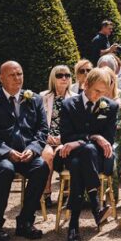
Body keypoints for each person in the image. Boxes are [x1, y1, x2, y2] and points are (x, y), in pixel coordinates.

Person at [0, 61, 49, 241]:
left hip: (25, 155)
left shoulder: (34, 99)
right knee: (5, 169)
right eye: (12, 75)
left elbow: (42, 130)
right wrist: (7, 152)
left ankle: (25, 221)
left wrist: (33, 149)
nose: (17, 78)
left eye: (20, 74)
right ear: (1, 78)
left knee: (42, 167)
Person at [58, 67, 118, 241]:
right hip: (73, 155)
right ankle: (95, 206)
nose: (99, 97)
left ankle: (74, 225)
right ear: (85, 85)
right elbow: (66, 137)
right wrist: (92, 137)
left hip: (100, 158)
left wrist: (90, 139)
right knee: (81, 158)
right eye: (96, 91)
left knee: (86, 154)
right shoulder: (69, 105)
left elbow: (109, 138)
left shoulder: (110, 106)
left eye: (103, 93)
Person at [41, 64, 75, 204]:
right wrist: (46, 136)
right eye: (60, 75)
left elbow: (77, 125)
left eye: (67, 75)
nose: (64, 78)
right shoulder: (43, 97)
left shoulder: (76, 98)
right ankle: (46, 193)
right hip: (46, 138)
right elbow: (38, 121)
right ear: (53, 78)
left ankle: (66, 193)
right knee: (47, 155)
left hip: (65, 139)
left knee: (62, 153)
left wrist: (63, 138)